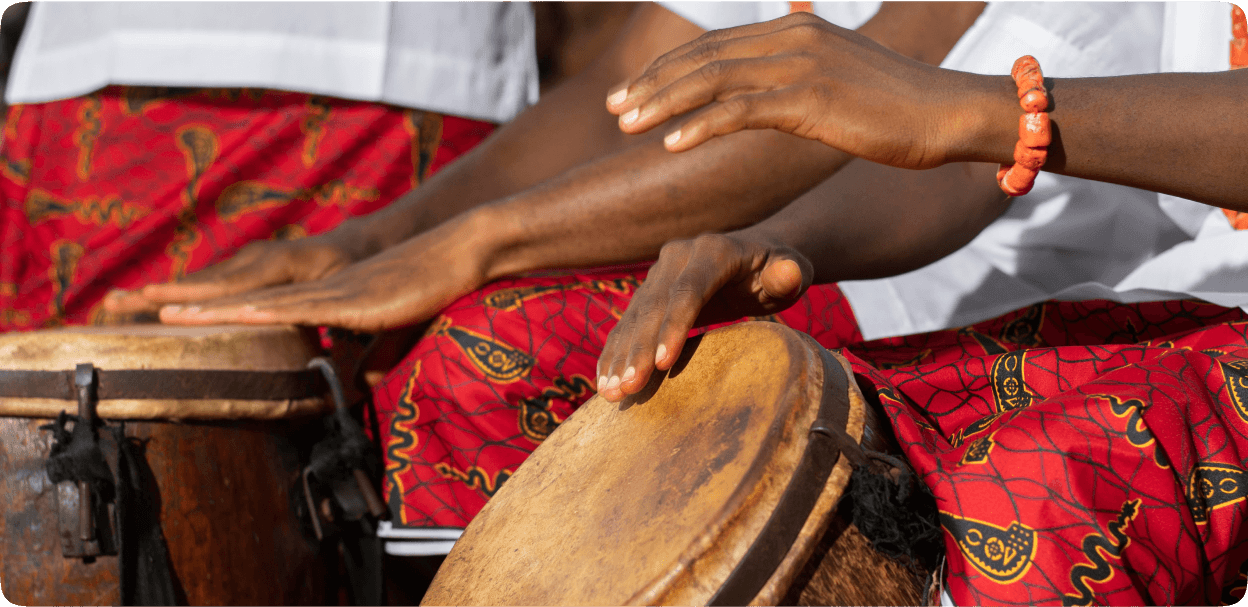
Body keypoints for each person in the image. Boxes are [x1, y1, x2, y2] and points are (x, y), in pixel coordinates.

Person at [105, 0, 992, 539]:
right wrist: (376, 238)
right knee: (350, 336)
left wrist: (476, 241)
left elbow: (846, 106)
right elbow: (627, 85)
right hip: (788, 242)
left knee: (477, 349)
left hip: (915, 273)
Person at [596, 3, 1248, 605]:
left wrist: (969, 110)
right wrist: (776, 240)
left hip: (1131, 316)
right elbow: (968, 159)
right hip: (1169, 308)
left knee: (1038, 494)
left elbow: (962, 120)